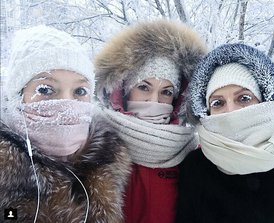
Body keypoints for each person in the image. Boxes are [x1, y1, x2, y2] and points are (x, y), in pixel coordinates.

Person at [0, 25, 130, 222]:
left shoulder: (109, 163)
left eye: (79, 91)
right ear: (17, 96)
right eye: (45, 90)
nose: (67, 104)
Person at [94, 19, 207, 223]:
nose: (154, 101)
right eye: (144, 87)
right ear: (124, 91)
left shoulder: (191, 154)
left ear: (178, 98)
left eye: (166, 92)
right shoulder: (95, 148)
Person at [176, 43, 274, 223]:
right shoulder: (196, 168)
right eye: (218, 103)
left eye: (244, 98)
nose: (231, 111)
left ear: (264, 101)